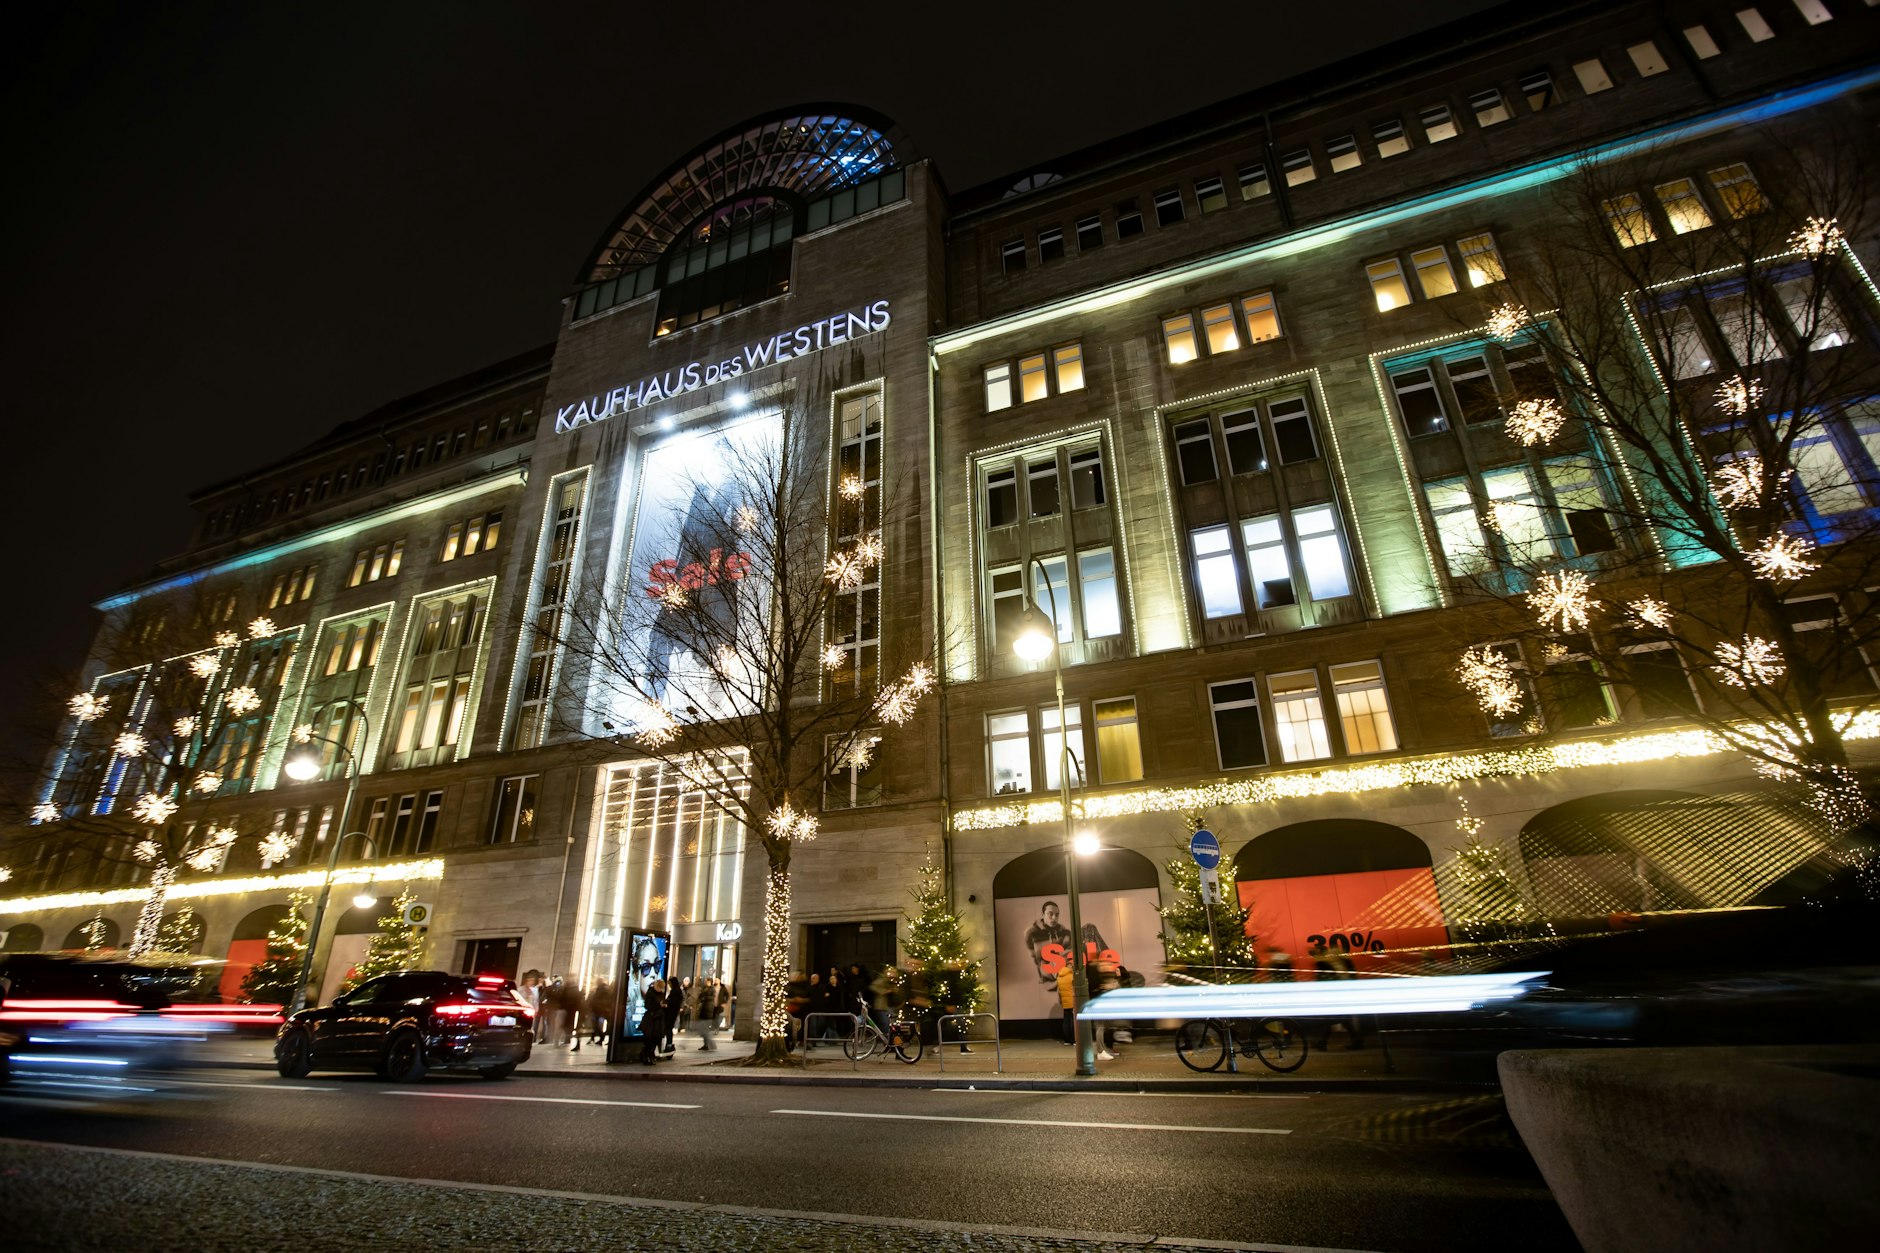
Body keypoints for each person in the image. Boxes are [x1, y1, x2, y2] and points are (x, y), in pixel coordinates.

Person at [1025, 901, 1072, 985]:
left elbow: (1068, 952)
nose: (1054, 918)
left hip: (1066, 965)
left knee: (1089, 927)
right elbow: (1036, 959)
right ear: (1043, 914)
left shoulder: (1064, 931)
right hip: (1050, 969)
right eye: (1050, 914)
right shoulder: (1032, 933)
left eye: (1057, 915)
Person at [1087, 952, 1122, 1061]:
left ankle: (1103, 1050)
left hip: (1097, 1001)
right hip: (1097, 1001)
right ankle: (1100, 1051)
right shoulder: (1092, 969)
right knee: (1100, 1026)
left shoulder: (1092, 969)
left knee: (1101, 1026)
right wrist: (1104, 986)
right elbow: (1096, 986)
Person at [638, 979, 667, 1064]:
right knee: (649, 1039)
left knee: (656, 1038)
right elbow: (647, 1005)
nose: (661, 989)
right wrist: (659, 1005)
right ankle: (647, 1055)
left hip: (659, 1018)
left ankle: (650, 1054)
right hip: (652, 1019)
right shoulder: (650, 993)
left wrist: (663, 1006)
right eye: (660, 987)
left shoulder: (661, 994)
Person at [1055, 962, 1077, 1046]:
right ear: (1070, 967)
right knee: (1072, 1021)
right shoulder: (1071, 977)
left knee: (1066, 1021)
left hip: (1065, 1002)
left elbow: (1059, 992)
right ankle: (1074, 1040)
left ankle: (1067, 1040)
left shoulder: (1059, 977)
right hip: (1072, 1001)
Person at [696, 978, 719, 1051]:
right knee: (703, 1029)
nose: (706, 982)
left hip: (708, 1011)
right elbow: (700, 996)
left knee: (704, 1029)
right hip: (704, 1010)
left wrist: (704, 997)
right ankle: (708, 1044)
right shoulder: (705, 989)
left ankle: (709, 1044)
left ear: (710, 982)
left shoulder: (712, 989)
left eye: (707, 981)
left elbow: (712, 997)